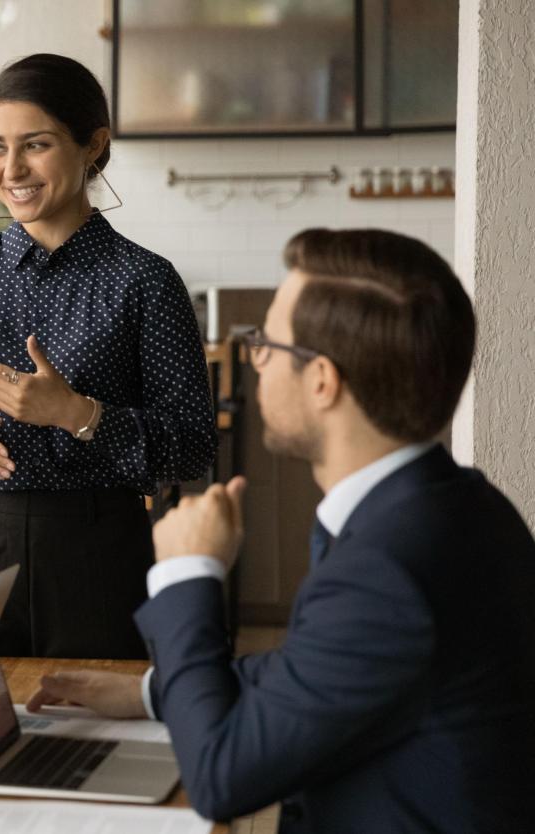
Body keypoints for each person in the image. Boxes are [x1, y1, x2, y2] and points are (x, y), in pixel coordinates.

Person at [28, 229, 535, 830]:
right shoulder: (459, 507)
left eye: (267, 342)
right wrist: (150, 693)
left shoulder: (389, 567)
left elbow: (221, 778)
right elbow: (318, 668)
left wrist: (189, 573)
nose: (256, 358)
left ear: (322, 380)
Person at [0, 53, 216, 659]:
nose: (11, 168)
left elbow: (193, 445)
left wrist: (77, 413)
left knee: (98, 740)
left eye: (36, 145)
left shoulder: (145, 282)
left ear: (92, 146)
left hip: (97, 553)